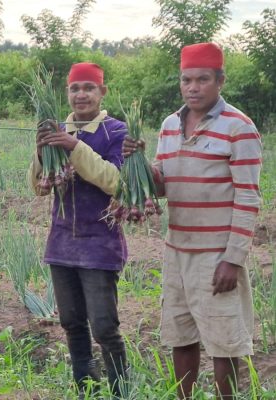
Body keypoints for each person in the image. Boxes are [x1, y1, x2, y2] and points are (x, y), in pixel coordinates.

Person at [124, 42, 261, 399]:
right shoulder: (170, 124)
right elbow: (163, 184)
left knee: (224, 342)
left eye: (203, 79)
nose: (194, 87)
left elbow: (248, 196)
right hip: (177, 249)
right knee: (180, 335)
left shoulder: (239, 128)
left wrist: (233, 259)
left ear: (220, 81)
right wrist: (138, 164)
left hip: (216, 254)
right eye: (187, 80)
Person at [27, 63, 128, 398]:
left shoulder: (116, 132)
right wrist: (42, 153)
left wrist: (74, 147)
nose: (81, 94)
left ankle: (120, 389)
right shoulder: (55, 129)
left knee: (104, 326)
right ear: (67, 93)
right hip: (62, 242)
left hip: (100, 244)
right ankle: (87, 388)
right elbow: (39, 187)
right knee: (71, 322)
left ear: (102, 92)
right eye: (75, 88)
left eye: (89, 87)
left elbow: (116, 182)